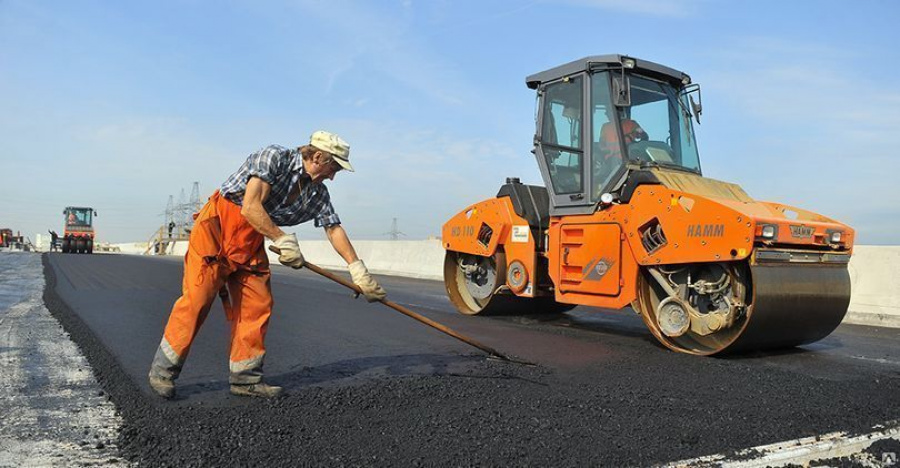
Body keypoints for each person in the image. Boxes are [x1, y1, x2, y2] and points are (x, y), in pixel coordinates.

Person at [148, 131, 387, 399]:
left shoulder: (317, 193)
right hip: (217, 228)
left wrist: (357, 270)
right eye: (334, 168)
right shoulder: (274, 157)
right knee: (198, 299)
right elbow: (250, 207)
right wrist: (282, 239)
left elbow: (333, 228)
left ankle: (246, 379)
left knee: (258, 303)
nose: (333, 176)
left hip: (251, 238)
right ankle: (163, 372)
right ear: (318, 157)